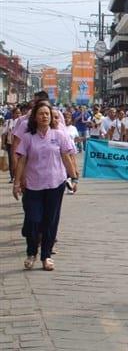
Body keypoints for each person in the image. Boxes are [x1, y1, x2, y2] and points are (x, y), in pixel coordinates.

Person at [13, 101, 78, 271]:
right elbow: (22, 161)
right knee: (33, 220)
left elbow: (66, 157)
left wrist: (74, 178)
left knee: (50, 221)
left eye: (47, 114)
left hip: (55, 184)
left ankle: (46, 256)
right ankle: (31, 252)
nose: (45, 116)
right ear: (34, 117)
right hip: (33, 185)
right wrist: (17, 182)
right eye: (41, 113)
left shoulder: (59, 135)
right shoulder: (28, 137)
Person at [3, 106, 20, 183]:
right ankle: (12, 176)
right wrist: (3, 144)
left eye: (19, 113)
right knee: (11, 161)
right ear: (12, 114)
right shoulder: (8, 122)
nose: (18, 114)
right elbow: (4, 134)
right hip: (10, 144)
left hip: (20, 145)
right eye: (16, 113)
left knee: (19, 161)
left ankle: (18, 176)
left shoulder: (22, 121)